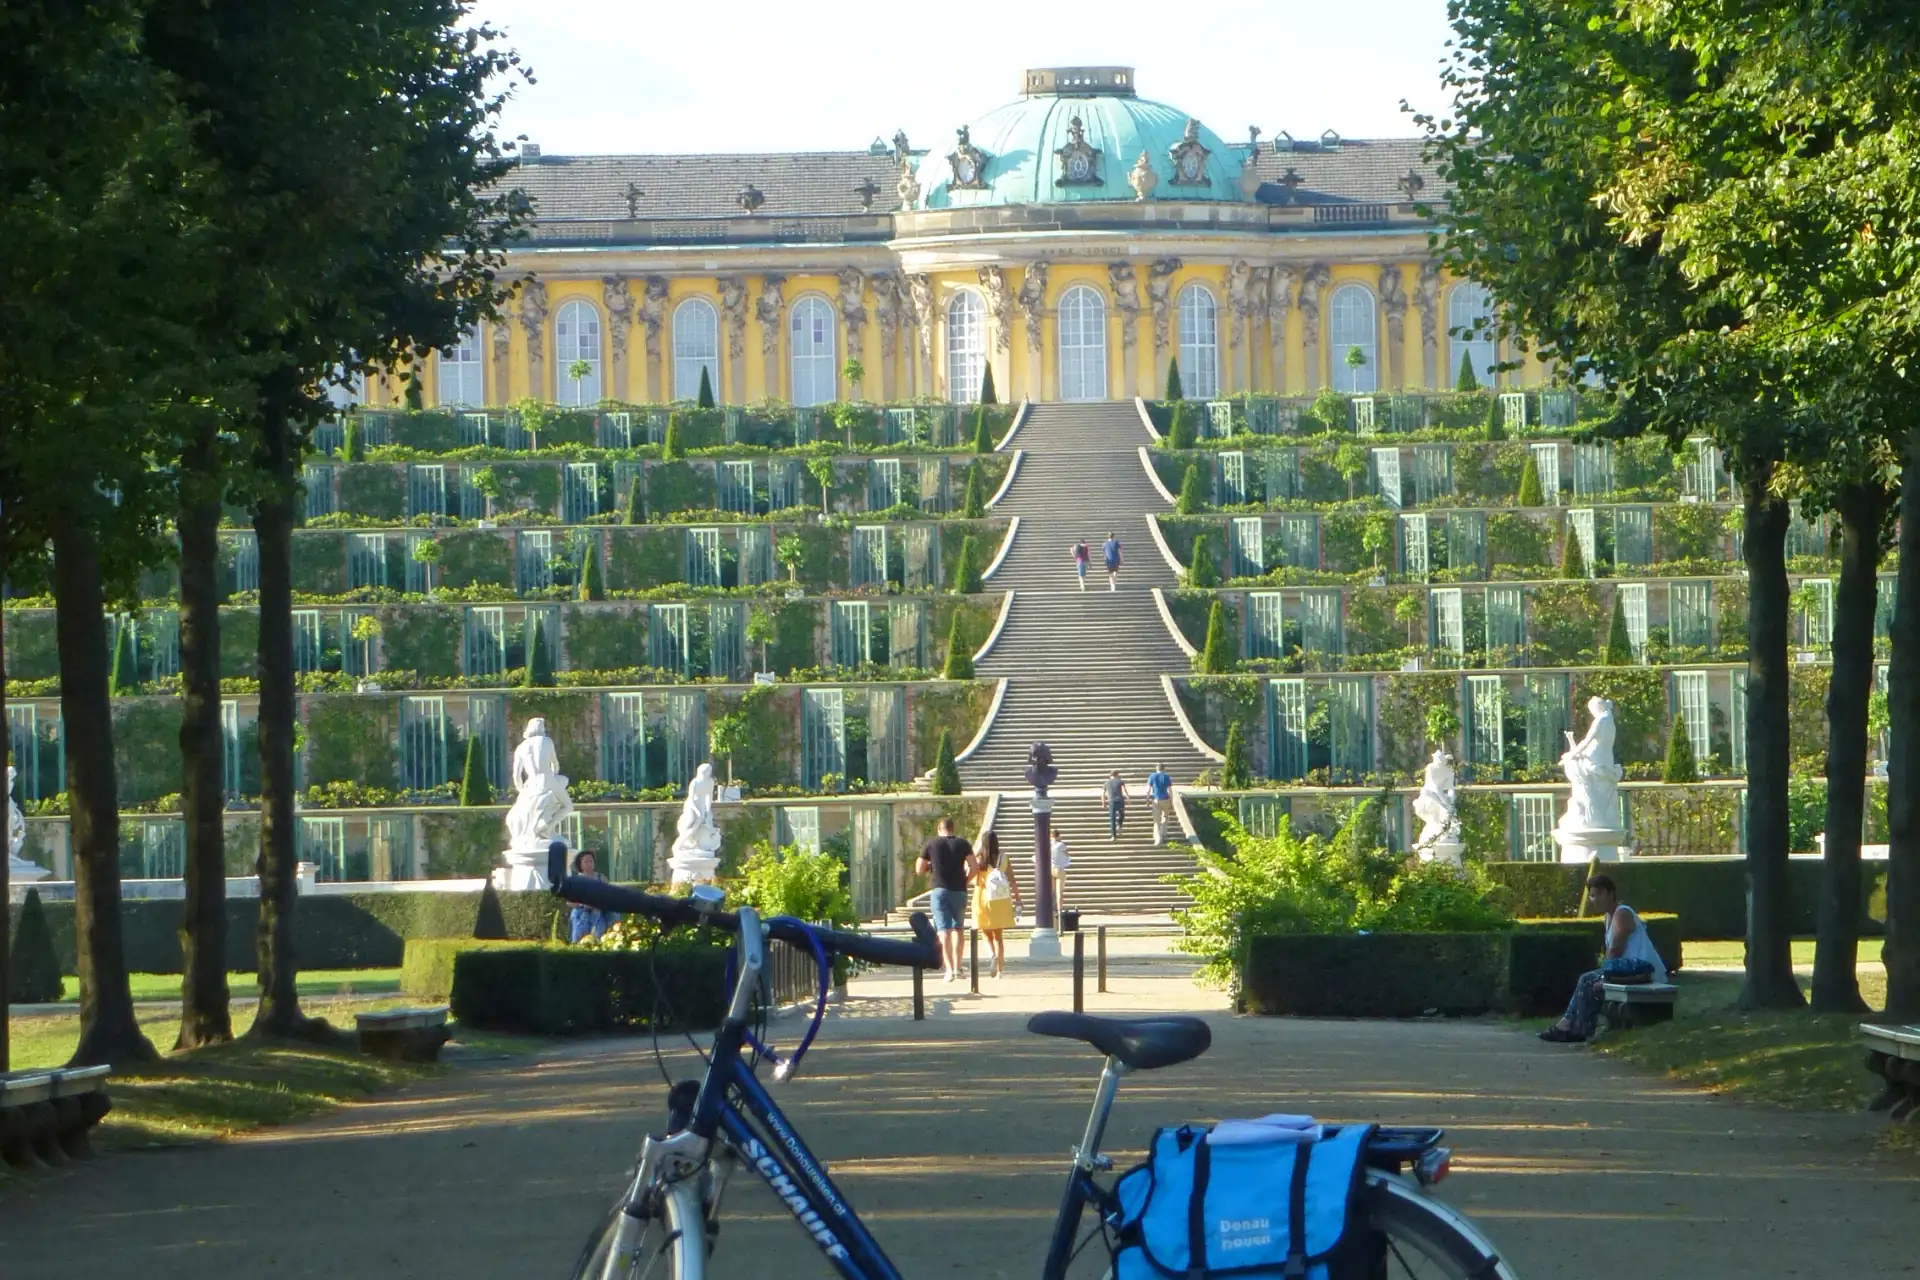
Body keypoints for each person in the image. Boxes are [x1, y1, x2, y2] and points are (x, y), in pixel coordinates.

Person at [1540, 874, 1667, 1044]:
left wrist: (1603, 975)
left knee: (1587, 980)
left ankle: (1575, 1029)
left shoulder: (1623, 914)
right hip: (1626, 968)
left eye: (1599, 894)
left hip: (1643, 968)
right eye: (1592, 895)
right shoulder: (1609, 917)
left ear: (1610, 893)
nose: (1595, 899)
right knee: (1588, 979)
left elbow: (1616, 950)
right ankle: (1572, 1026)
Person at [915, 816, 975, 982]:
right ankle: (958, 967)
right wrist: (965, 880)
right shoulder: (963, 844)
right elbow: (974, 867)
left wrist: (930, 866)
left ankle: (948, 970)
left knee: (943, 930)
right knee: (958, 930)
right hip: (959, 891)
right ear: (952, 828)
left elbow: (919, 869)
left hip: (940, 890)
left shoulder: (931, 844)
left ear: (938, 829)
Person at [969, 829, 1021, 977]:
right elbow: (1012, 880)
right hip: (1000, 900)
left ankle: (992, 954)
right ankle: (1000, 971)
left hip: (983, 898)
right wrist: (1018, 898)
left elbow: (973, 879)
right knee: (999, 937)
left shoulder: (979, 859)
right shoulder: (1003, 858)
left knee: (986, 934)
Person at [567, 850, 618, 943]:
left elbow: (610, 895)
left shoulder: (601, 878)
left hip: (598, 913)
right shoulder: (575, 881)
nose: (589, 864)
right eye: (586, 862)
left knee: (599, 938)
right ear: (580, 864)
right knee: (579, 940)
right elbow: (569, 902)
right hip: (581, 914)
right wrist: (582, 904)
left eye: (591, 861)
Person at [1145, 763, 1174, 846]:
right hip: (1165, 799)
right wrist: (1171, 801)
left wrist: (1147, 799)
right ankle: (1163, 833)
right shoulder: (1166, 777)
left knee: (1156, 821)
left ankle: (1158, 839)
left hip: (1156, 800)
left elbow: (1148, 789)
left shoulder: (1152, 776)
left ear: (1156, 768)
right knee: (1165, 817)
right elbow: (1170, 790)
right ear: (1164, 769)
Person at [1050, 829, 1071, 923]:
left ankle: (1050, 910)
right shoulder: (1061, 845)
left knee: (1051, 892)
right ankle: (1059, 911)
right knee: (1059, 893)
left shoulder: (1049, 845)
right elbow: (1067, 855)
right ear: (1058, 836)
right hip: (1059, 869)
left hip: (1050, 869)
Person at [1103, 770, 1128, 840]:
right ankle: (1119, 824)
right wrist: (1128, 797)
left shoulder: (1106, 783)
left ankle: (1113, 836)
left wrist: (1103, 802)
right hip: (1120, 801)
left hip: (1111, 802)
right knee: (1122, 814)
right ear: (1116, 775)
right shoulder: (1120, 781)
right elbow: (1124, 790)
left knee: (1112, 819)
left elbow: (1103, 793)